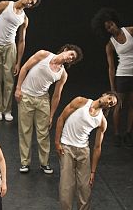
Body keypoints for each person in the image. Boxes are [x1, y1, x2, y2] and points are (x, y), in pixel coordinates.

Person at [54, 92, 118, 210]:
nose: (109, 102)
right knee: (66, 186)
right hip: (67, 147)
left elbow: (97, 147)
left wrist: (93, 171)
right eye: (109, 99)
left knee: (85, 187)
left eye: (111, 104)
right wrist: (57, 142)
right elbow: (61, 118)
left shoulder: (102, 121)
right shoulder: (80, 102)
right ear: (104, 95)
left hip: (83, 151)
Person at [14, 45, 82, 175]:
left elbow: (56, 95)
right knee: (25, 130)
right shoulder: (43, 55)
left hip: (43, 100)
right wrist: (18, 88)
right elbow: (25, 68)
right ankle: (25, 162)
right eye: (71, 54)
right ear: (65, 50)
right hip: (26, 96)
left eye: (73, 59)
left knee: (43, 132)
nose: (71, 58)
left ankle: (44, 163)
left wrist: (51, 115)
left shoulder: (63, 74)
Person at [91, 7, 133, 147]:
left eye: (111, 24)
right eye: (108, 28)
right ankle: (116, 134)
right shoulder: (110, 44)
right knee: (119, 105)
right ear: (106, 31)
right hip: (122, 75)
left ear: (115, 21)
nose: (111, 27)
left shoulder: (131, 30)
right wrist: (112, 88)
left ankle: (128, 133)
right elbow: (111, 67)